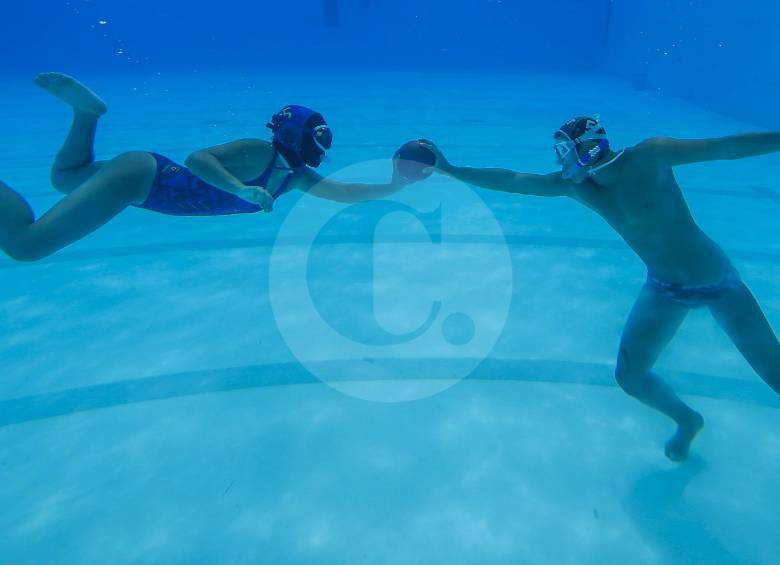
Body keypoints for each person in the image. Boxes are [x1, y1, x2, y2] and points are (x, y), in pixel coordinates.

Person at [421, 117, 780, 461]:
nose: (560, 160)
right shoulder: (579, 188)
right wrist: (452, 170)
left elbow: (725, 147)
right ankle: (687, 420)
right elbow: (515, 179)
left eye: (565, 150)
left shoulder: (649, 157)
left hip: (718, 283)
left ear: (589, 148)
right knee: (630, 376)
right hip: (664, 287)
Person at [0, 73, 413, 262]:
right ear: (298, 135)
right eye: (319, 136)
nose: (324, 144)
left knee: (65, 178)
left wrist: (395, 185)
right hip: (141, 178)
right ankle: (88, 112)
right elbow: (198, 159)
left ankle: (87, 113)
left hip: (140, 181)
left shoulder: (295, 177)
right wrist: (241, 189)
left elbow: (346, 192)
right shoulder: (259, 152)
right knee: (27, 245)